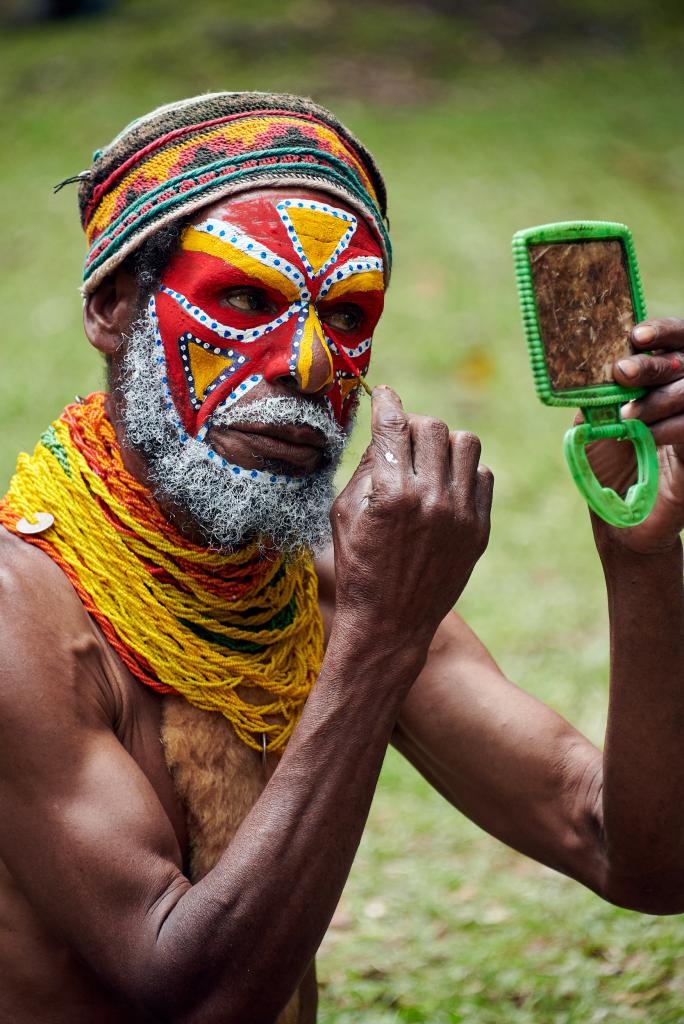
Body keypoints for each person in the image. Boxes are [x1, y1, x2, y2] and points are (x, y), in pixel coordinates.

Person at [0, 91, 683, 1024]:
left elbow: (638, 855)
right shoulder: (20, 613)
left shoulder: (329, 584)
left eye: (349, 313)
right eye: (245, 297)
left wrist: (637, 545)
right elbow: (197, 1000)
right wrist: (380, 636)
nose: (312, 364)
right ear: (113, 305)